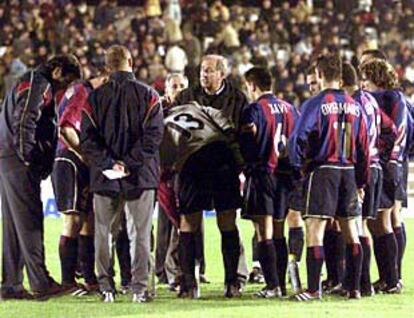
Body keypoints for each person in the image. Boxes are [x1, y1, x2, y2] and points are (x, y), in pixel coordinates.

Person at [80, 45, 164, 303]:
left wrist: (110, 163)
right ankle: (139, 289)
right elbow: (153, 138)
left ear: (107, 66)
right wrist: (128, 164)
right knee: (140, 233)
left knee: (103, 232)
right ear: (131, 60)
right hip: (140, 175)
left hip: (104, 176)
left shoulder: (94, 98)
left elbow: (87, 139)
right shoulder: (149, 95)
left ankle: (106, 287)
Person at [0, 54, 82, 300]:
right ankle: (40, 281)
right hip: (17, 160)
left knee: (14, 225)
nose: (64, 87)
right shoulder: (39, 83)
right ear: (56, 70)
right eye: (65, 81)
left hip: (7, 156)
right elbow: (25, 119)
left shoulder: (33, 81)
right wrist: (28, 157)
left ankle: (11, 284)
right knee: (30, 221)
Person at [289, 52, 370, 301]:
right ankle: (354, 288)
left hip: (323, 170)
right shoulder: (355, 105)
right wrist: (361, 180)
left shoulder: (315, 104)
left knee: (315, 228)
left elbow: (298, 140)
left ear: (320, 74)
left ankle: (313, 290)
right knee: (351, 230)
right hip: (348, 171)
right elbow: (364, 146)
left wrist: (297, 169)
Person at [174, 54, 249, 284]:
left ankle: (232, 281)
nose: (204, 75)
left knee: (226, 221)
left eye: (209, 71)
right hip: (192, 170)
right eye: (202, 71)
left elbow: (244, 135)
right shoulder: (186, 97)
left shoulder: (237, 98)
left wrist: (240, 165)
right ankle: (187, 282)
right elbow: (173, 131)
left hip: (223, 169)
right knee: (188, 222)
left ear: (221, 74)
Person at [160, 102, 244, 298]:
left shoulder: (162, 122)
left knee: (188, 224)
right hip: (221, 153)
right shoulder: (197, 107)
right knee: (227, 221)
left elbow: (166, 160)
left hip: (192, 161)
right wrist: (237, 159)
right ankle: (232, 284)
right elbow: (226, 124)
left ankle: (189, 286)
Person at [240, 67, 300, 297]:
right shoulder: (290, 109)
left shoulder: (254, 109)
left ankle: (272, 285)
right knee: (278, 231)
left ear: (253, 85)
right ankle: (281, 285)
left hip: (262, 173)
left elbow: (248, 137)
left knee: (262, 231)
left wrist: (248, 164)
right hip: (284, 177)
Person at [342, 62, 397, 296]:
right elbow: (391, 129)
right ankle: (380, 281)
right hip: (375, 166)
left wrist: (360, 178)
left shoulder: (354, 105)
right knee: (366, 224)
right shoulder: (371, 100)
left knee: (359, 225)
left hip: (363, 168)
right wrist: (380, 153)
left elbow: (359, 142)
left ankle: (362, 285)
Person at [51, 72, 108, 295]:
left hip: (79, 162)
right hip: (70, 161)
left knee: (88, 221)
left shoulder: (85, 92)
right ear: (103, 79)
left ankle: (89, 279)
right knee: (73, 221)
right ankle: (67, 281)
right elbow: (65, 127)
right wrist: (83, 154)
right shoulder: (82, 92)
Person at [359, 58, 407, 293]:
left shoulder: (390, 98)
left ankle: (392, 278)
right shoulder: (392, 98)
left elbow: (396, 131)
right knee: (377, 222)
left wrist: (388, 157)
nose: (362, 83)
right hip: (389, 164)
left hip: (387, 166)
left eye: (365, 78)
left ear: (376, 77)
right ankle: (388, 278)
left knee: (384, 221)